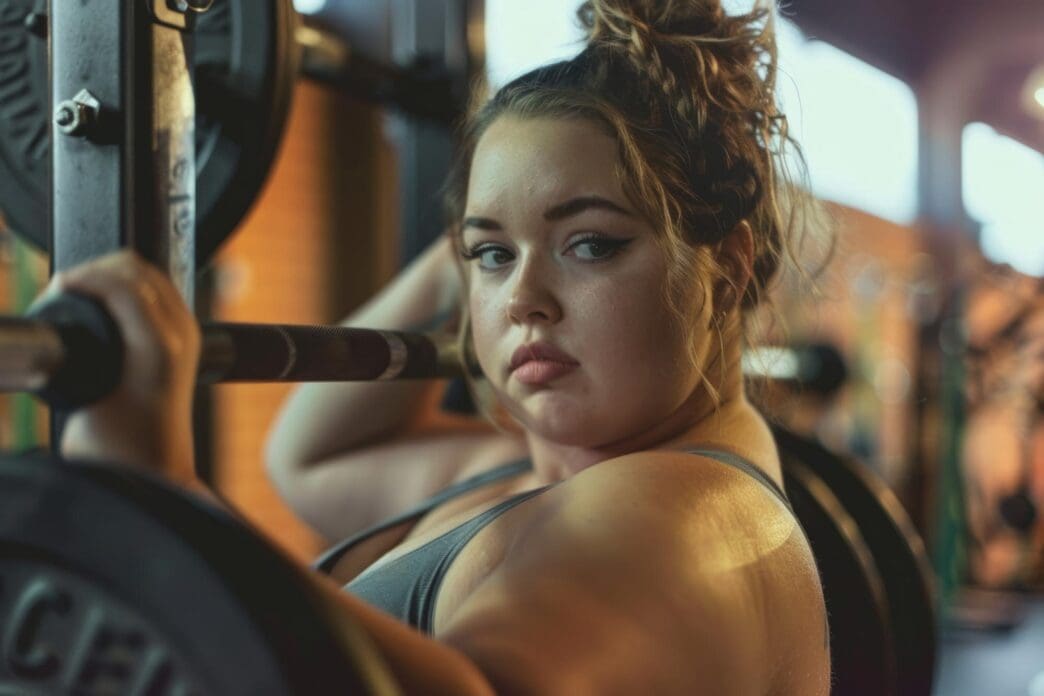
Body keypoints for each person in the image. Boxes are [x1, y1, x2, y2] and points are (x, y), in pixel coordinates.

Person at [53, 0, 831, 692]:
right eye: (493, 257)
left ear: (724, 268)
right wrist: (469, 254)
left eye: (590, 244)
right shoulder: (544, 469)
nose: (523, 299)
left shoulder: (678, 516)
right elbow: (308, 460)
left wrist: (153, 495)